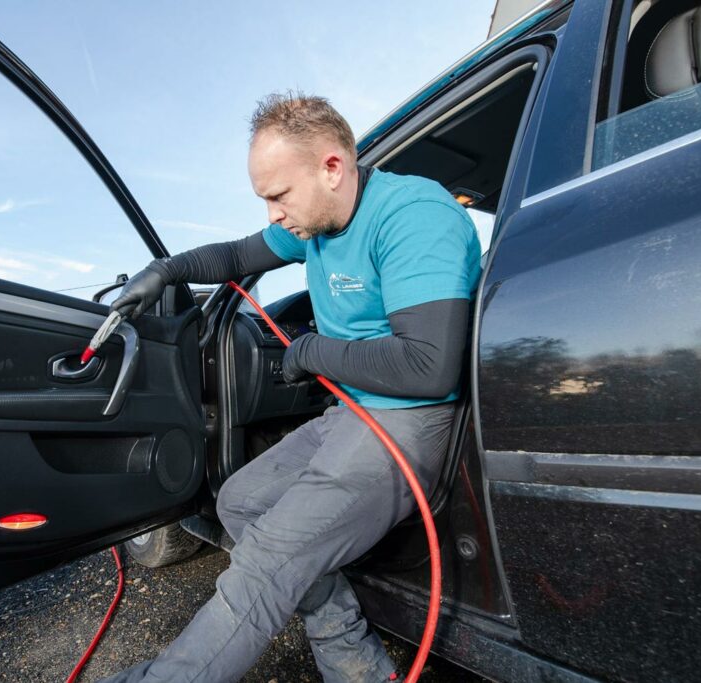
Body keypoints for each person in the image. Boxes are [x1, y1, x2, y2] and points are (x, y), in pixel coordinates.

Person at [101, 92, 481, 683]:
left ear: (332, 167)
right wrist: (165, 272)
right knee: (240, 501)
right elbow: (234, 254)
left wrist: (310, 349)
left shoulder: (413, 215)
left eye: (278, 196)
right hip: (352, 413)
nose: (273, 214)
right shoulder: (311, 225)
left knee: (270, 559)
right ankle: (351, 659)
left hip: (410, 420)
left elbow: (428, 365)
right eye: (265, 200)